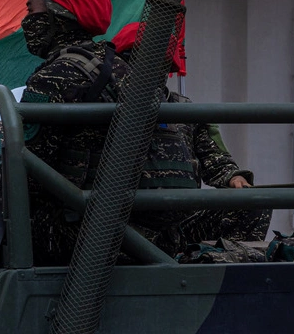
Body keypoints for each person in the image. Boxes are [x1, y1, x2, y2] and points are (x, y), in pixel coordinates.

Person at [110, 21, 270, 254]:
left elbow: (214, 158)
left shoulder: (186, 111)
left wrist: (233, 177)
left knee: (254, 202)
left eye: (158, 62)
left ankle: (225, 274)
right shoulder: (108, 106)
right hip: (127, 223)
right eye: (137, 59)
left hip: (181, 224)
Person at [18, 0, 130, 265]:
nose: (26, 21)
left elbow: (25, 180)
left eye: (32, 9)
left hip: (82, 233)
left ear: (58, 13)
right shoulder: (122, 67)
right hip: (136, 229)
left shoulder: (54, 76)